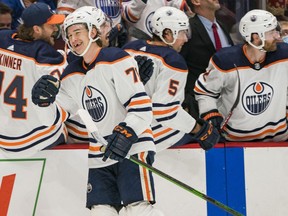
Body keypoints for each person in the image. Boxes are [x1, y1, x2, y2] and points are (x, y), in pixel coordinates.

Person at [32, 6, 164, 216]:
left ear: (93, 32)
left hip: (134, 145)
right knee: (100, 211)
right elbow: (55, 118)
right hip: (99, 152)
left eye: (78, 32)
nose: (72, 38)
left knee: (139, 209)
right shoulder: (71, 74)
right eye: (69, 34)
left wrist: (126, 134)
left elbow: (141, 107)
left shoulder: (116, 58)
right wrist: (44, 103)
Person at [122, 6, 220, 152]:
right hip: (150, 136)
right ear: (167, 34)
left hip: (122, 131)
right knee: (202, 136)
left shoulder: (129, 48)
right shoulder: (173, 61)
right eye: (182, 32)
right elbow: (165, 112)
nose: (185, 39)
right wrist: (199, 129)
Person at [194, 9, 288, 142]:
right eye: (272, 32)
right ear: (256, 37)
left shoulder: (284, 55)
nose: (278, 36)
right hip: (236, 141)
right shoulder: (225, 61)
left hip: (279, 139)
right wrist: (209, 112)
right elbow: (205, 91)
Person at [0, 2, 67, 157]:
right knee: (67, 119)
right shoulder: (45, 54)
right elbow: (65, 85)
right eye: (51, 26)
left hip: (3, 137)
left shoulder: (2, 38)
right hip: (33, 139)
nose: (55, 30)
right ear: (37, 29)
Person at [180, 0, 234, 120]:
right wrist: (186, 101)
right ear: (196, 1)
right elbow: (179, 66)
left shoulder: (222, 26)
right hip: (198, 103)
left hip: (227, 102)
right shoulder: (187, 29)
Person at [121, 0, 189, 41]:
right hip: (138, 48)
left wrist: (188, 4)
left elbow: (187, 10)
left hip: (162, 48)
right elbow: (131, 17)